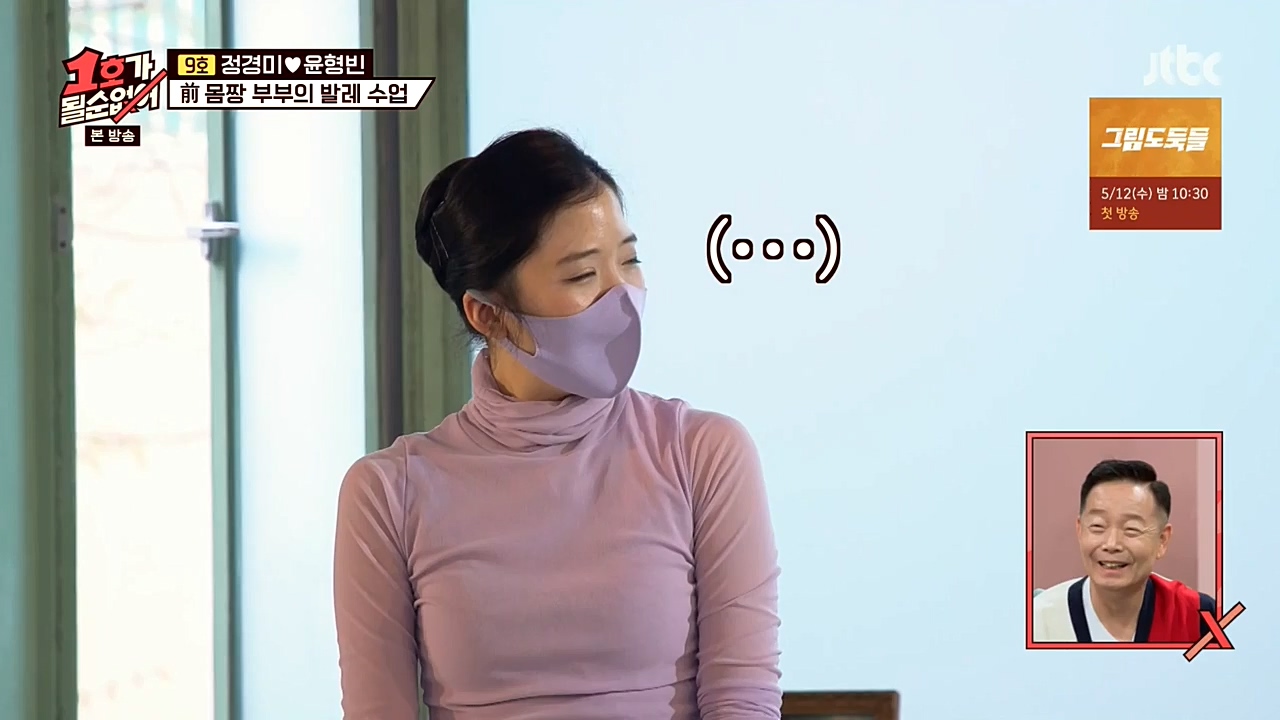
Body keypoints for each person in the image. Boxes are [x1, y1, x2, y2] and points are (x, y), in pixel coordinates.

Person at [333, 129, 782, 719]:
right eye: (582, 275)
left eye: (629, 260)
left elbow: (743, 697)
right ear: (487, 313)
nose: (622, 296)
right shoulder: (389, 493)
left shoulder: (703, 453)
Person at [1032, 459, 1215, 643]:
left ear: (1162, 540)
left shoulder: (1199, 617)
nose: (1112, 544)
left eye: (1131, 529)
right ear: (1080, 530)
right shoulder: (1036, 620)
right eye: (1098, 526)